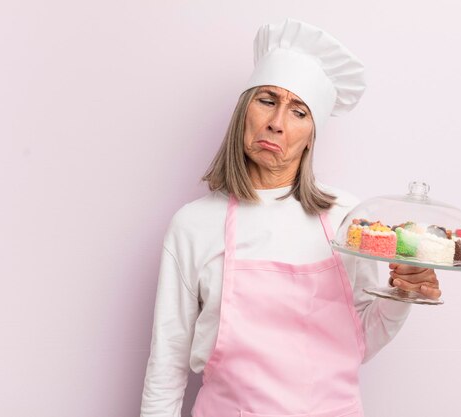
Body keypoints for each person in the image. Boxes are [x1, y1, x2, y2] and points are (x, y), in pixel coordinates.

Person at [140, 18, 441, 417]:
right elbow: (167, 364)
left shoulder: (348, 218)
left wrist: (404, 293)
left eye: (298, 111)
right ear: (243, 109)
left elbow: (362, 340)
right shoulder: (193, 225)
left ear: (311, 134)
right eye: (266, 100)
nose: (276, 124)